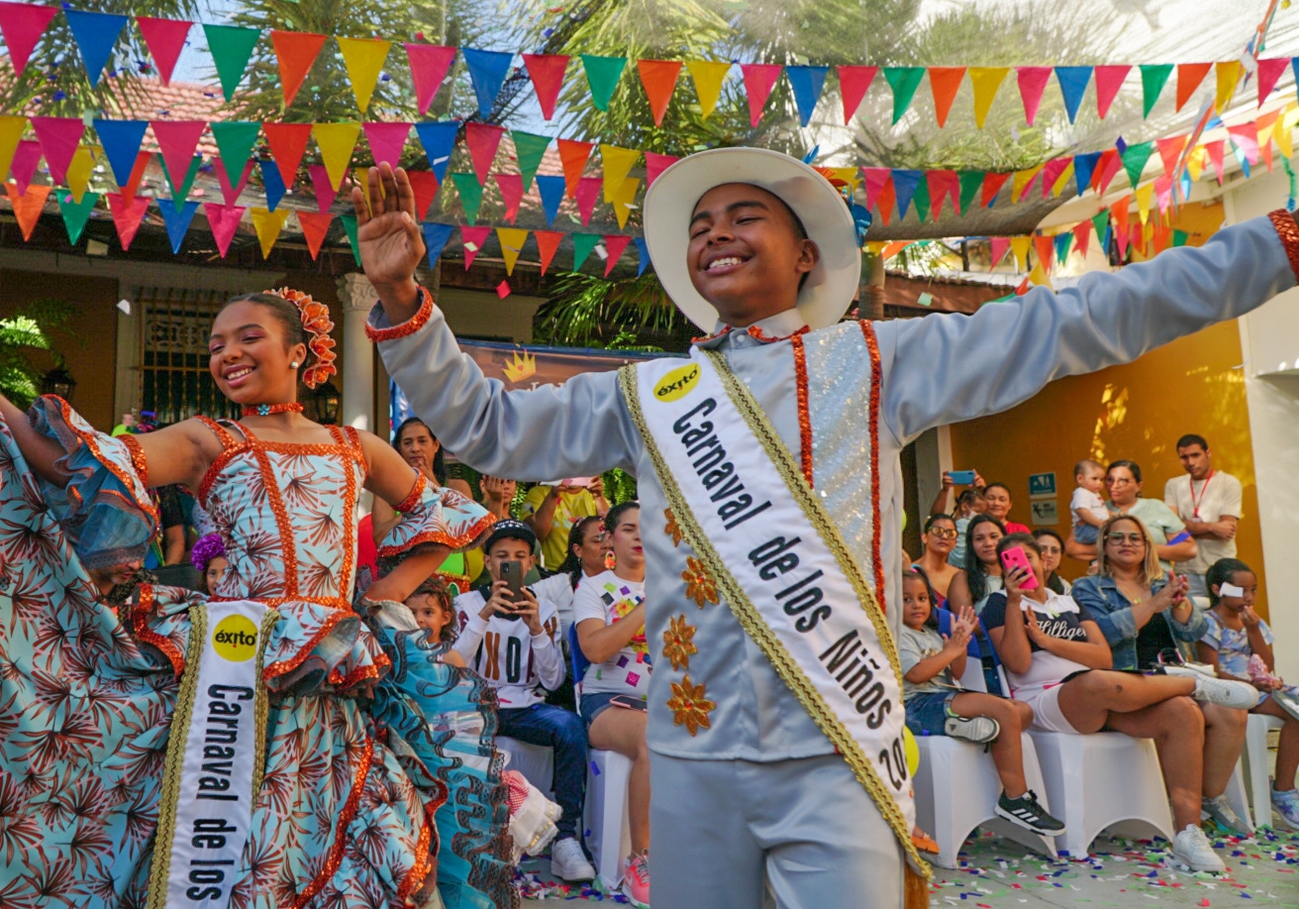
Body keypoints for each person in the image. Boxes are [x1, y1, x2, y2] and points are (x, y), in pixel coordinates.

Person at [351, 146, 1299, 908]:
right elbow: (488, 426)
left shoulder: (882, 360)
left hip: (839, 749)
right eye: (700, 228)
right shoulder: (651, 395)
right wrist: (403, 302)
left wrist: (1276, 248)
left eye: (743, 217)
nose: (716, 235)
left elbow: (1080, 319)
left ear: (808, 254)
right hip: (692, 759)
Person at [0, 237, 516, 909]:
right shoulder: (209, 440)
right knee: (216, 848)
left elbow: (442, 516)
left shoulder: (356, 446)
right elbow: (76, 465)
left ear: (301, 351)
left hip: (336, 679)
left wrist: (382, 598)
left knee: (355, 847)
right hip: (234, 674)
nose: (227, 354)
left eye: (248, 338)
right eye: (215, 345)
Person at [982, 532, 1258, 874]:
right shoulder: (999, 604)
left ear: (1042, 560)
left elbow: (1102, 654)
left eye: (1027, 556)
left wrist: (1045, 639)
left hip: (1100, 693)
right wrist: (1014, 602)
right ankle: (1192, 684)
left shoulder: (1066, 601)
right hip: (1046, 700)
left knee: (1181, 712)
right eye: (1010, 561)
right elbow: (1019, 664)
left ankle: (1189, 834)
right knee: (1098, 681)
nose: (1021, 566)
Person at [1070, 516, 1249, 835]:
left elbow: (1195, 631)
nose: (1127, 543)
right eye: (1118, 537)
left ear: (1147, 545)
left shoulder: (1160, 582)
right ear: (1104, 545)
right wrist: (1154, 604)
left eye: (1135, 538)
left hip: (1173, 671)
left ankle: (1208, 796)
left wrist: (1179, 605)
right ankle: (1179, 801)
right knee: (1186, 708)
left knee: (1232, 712)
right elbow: (1104, 635)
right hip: (1127, 682)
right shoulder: (1088, 587)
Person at [453, 520, 594, 883]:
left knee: (569, 726)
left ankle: (564, 838)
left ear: (530, 564)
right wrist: (484, 617)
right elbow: (454, 668)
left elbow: (553, 680)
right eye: (501, 557)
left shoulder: (543, 609)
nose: (509, 564)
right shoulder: (466, 604)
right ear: (487, 562)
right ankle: (468, 837)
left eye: (518, 557)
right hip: (475, 704)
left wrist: (535, 628)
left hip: (525, 706)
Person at [899, 570, 1064, 834]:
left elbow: (956, 673)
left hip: (943, 698)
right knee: (1003, 710)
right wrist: (951, 650)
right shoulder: (898, 633)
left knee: (1022, 711)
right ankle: (1015, 798)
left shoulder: (930, 635)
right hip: (918, 707)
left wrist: (960, 645)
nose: (916, 604)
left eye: (921, 598)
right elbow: (917, 674)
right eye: (906, 599)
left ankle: (968, 726)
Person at [573, 501, 653, 904]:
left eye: (647, 527)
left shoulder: (682, 584)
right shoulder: (593, 586)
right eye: (629, 529)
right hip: (607, 703)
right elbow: (595, 649)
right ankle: (641, 861)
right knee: (653, 740)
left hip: (669, 702)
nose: (640, 536)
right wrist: (647, 606)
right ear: (611, 538)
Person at [1197, 558, 1299, 827]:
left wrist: (1253, 630)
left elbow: (1268, 663)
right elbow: (1212, 670)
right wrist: (1252, 686)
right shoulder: (1210, 623)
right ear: (1219, 589)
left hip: (1258, 688)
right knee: (1295, 712)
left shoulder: (1254, 622)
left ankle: (1284, 787)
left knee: (1297, 708)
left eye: (1253, 590)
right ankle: (1283, 791)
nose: (1249, 597)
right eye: (1241, 590)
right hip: (1230, 690)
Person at [1162, 435, 1243, 597]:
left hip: (1224, 569)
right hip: (1185, 571)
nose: (1190, 462)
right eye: (1184, 457)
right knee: (1189, 620)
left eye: (1195, 455)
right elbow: (1172, 535)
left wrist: (1184, 529)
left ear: (1208, 453)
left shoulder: (1229, 482)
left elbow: (1226, 533)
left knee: (1229, 618)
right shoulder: (1174, 484)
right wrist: (1212, 527)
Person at [1105, 460, 1197, 565]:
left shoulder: (1155, 507)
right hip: (1109, 579)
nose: (1114, 486)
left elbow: (1188, 547)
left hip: (1157, 579)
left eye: (1123, 481)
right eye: (1110, 480)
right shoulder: (1095, 510)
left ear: (1139, 485)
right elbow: (1082, 550)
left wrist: (1146, 549)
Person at [519, 478, 611, 573]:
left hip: (590, 573)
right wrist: (552, 496)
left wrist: (598, 496)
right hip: (550, 573)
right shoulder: (540, 493)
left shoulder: (594, 495)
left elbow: (609, 534)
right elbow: (536, 535)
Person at [947, 515, 1007, 616]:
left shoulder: (1018, 574)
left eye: (994, 537)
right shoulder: (963, 579)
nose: (988, 543)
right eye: (979, 539)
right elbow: (968, 624)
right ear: (971, 545)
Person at [407, 578, 465, 667]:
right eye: (412, 612)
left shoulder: (449, 658)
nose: (418, 619)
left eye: (428, 612)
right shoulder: (400, 653)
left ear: (445, 618)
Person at [1067, 459, 1109, 561]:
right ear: (1080, 478)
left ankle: (1097, 561)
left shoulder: (1093, 493)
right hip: (1088, 528)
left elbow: (1102, 511)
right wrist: (1100, 523)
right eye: (1094, 479)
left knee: (1108, 545)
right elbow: (1082, 511)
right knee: (1113, 541)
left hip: (1094, 527)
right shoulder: (1082, 492)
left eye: (1101, 479)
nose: (1099, 483)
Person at [914, 513, 961, 604]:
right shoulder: (912, 571)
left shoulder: (959, 576)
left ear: (955, 543)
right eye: (937, 531)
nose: (944, 536)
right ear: (924, 537)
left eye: (950, 533)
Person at [946, 488, 986, 567]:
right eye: (977, 511)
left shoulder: (949, 524)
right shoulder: (968, 524)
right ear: (964, 506)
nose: (979, 515)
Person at [1031, 528, 1068, 595]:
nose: (1049, 554)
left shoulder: (1064, 587)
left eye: (1054, 550)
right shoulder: (1017, 583)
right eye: (1042, 549)